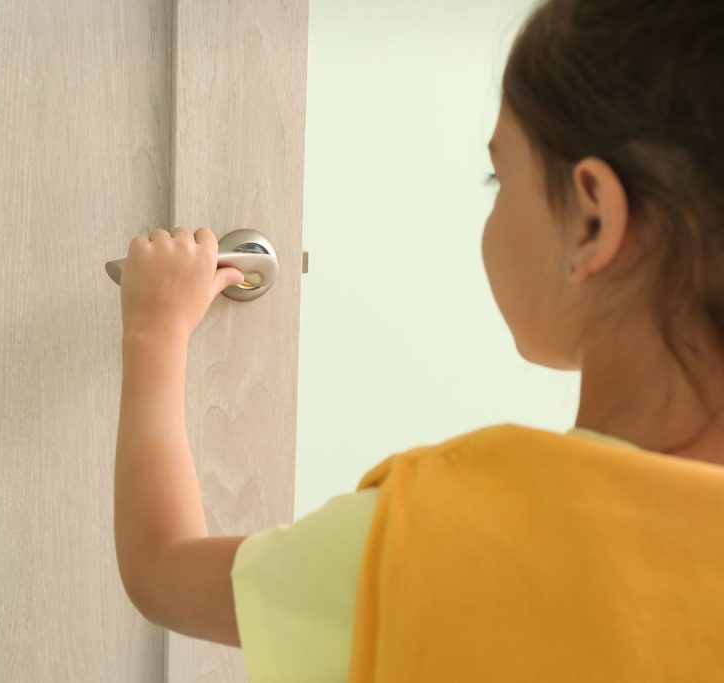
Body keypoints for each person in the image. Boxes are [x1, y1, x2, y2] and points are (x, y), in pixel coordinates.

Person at [228, 0, 724, 680]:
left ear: (591, 221)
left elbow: (160, 568)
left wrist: (155, 329)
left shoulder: (425, 535)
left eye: (500, 177)